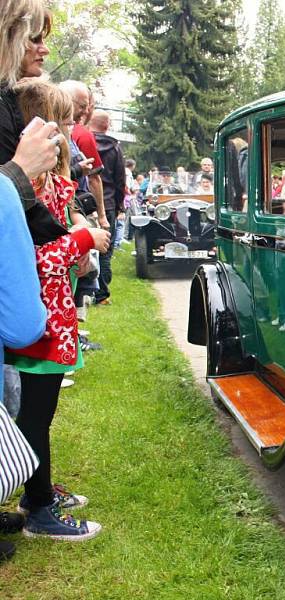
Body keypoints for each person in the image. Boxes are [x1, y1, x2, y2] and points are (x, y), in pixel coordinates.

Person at [8, 79, 108, 541]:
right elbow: (33, 259)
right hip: (40, 324)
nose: (70, 133)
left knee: (41, 413)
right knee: (34, 415)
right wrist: (84, 240)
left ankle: (39, 488)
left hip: (52, 317)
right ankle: (39, 507)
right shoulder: (18, 192)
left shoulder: (38, 185)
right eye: (62, 123)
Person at [0, 122, 53, 564]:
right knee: (31, 415)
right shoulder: (4, 192)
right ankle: (38, 502)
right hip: (30, 329)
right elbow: (22, 325)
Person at [0, 2, 71, 246]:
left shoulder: (7, 99)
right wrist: (21, 170)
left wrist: (69, 240)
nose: (45, 49)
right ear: (8, 33)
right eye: (35, 38)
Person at [59, 80, 108, 230]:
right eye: (83, 106)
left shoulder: (69, 132)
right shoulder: (81, 135)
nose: (86, 112)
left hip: (74, 212)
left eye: (88, 107)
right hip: (67, 217)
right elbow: (94, 178)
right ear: (66, 100)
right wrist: (101, 216)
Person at [88, 109, 125, 305]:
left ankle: (85, 293)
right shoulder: (114, 148)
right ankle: (102, 294)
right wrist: (119, 205)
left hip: (83, 203)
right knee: (105, 250)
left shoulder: (82, 141)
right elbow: (120, 179)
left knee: (86, 247)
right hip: (108, 203)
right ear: (107, 125)